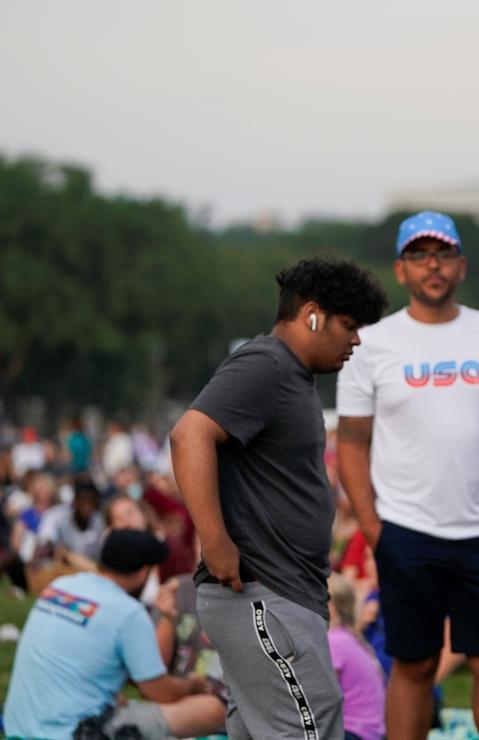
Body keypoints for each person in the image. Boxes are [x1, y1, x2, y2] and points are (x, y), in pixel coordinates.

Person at [170, 256, 387, 740]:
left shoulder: (292, 376)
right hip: (264, 592)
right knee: (311, 723)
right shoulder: (266, 363)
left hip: (280, 595)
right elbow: (189, 436)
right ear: (312, 313)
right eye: (349, 326)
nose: (356, 340)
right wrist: (216, 539)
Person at [337, 210, 479, 740]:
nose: (432, 266)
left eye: (442, 254)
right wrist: (373, 528)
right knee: (413, 666)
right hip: (406, 529)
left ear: (461, 266)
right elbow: (350, 438)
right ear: (401, 270)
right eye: (419, 255)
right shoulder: (372, 344)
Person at [3, 529, 225, 739]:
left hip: (18, 725)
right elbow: (160, 692)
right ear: (143, 573)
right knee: (212, 709)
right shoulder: (128, 612)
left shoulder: (60, 586)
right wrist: (192, 685)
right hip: (71, 732)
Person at [328, 573, 388, 740]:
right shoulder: (349, 638)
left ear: (329, 608)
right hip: (372, 731)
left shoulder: (334, 642)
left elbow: (321, 695)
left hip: (353, 731)